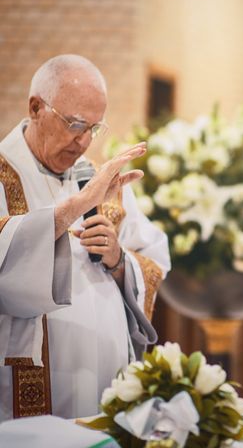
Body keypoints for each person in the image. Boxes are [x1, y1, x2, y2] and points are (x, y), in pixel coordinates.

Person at [0, 54, 170, 420]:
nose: (84, 141)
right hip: (22, 384)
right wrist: (77, 206)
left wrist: (119, 260)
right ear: (35, 107)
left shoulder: (102, 180)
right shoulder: (2, 175)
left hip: (103, 374)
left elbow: (153, 261)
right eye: (75, 124)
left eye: (95, 128)